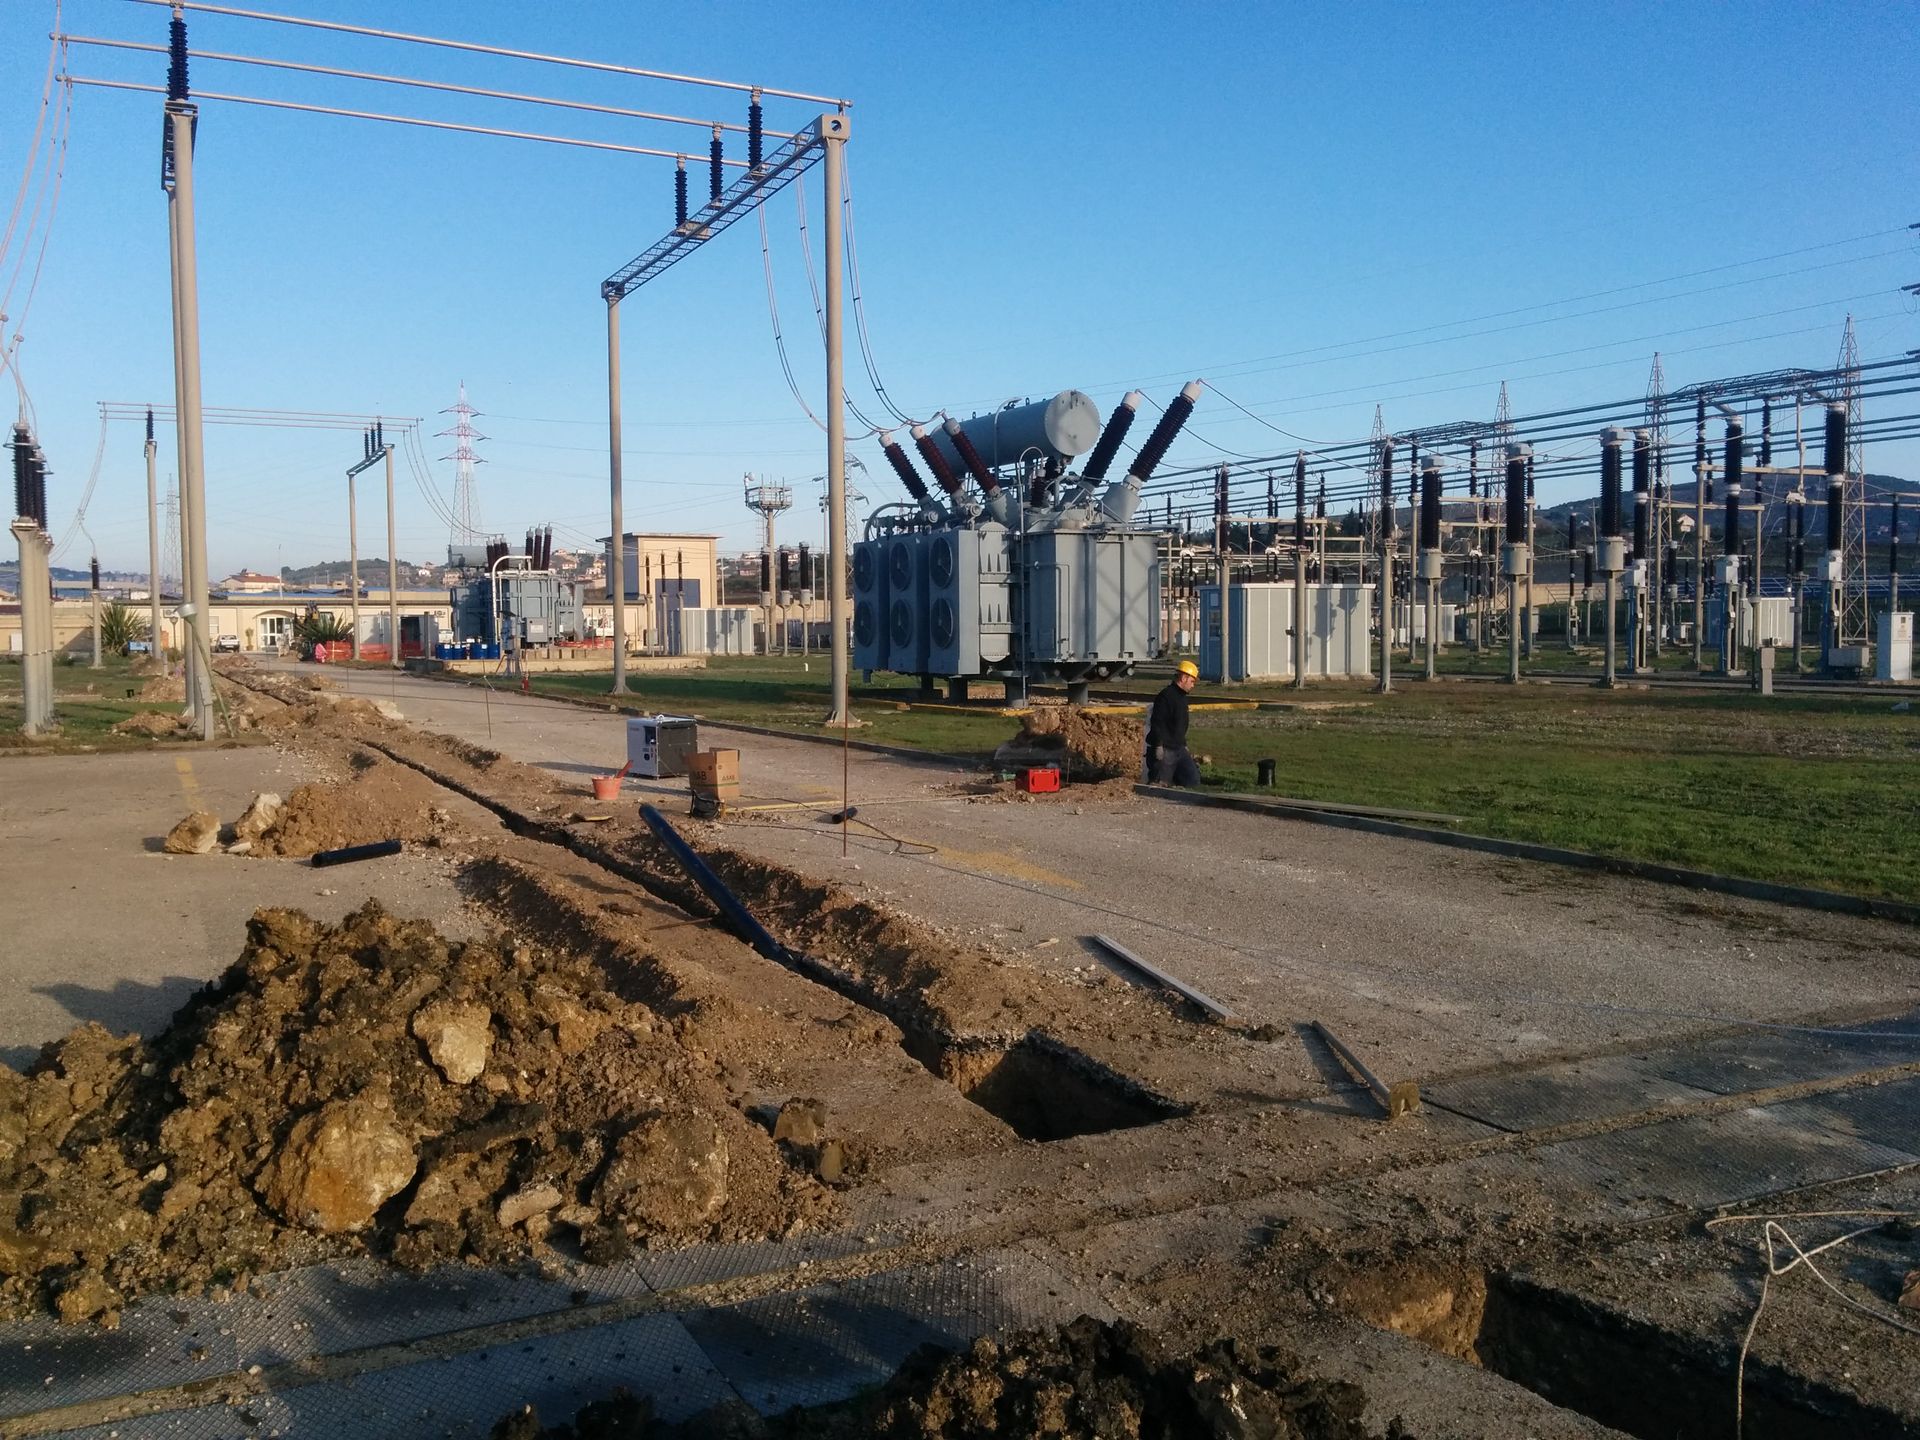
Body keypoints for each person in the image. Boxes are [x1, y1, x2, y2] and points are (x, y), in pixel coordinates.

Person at [1145, 659, 1201, 786]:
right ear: (1184, 678)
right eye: (1192, 681)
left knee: (1192, 781)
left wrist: (1184, 745)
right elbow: (1157, 722)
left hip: (1178, 748)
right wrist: (1158, 745)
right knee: (1160, 783)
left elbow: (1179, 726)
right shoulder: (1166, 696)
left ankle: (1175, 779)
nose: (1193, 685)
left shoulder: (1181, 698)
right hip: (1165, 749)